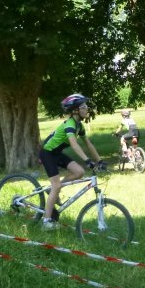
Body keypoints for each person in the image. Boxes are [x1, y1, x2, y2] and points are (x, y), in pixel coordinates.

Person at [38, 94, 105, 230]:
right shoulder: (70, 125)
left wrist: (100, 160)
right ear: (75, 110)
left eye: (86, 106)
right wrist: (87, 161)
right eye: (84, 107)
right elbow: (74, 145)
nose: (87, 109)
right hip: (47, 153)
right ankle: (46, 222)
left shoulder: (79, 126)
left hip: (57, 153)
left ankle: (53, 190)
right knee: (56, 185)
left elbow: (88, 144)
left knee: (79, 172)